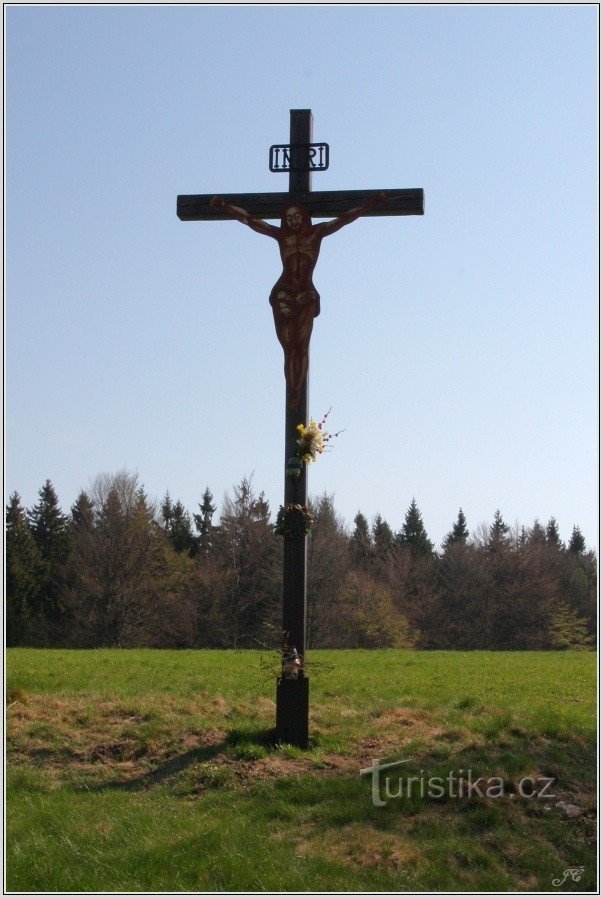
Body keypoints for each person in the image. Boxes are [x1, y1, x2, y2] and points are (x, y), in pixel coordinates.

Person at [211, 192, 388, 408]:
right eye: (289, 217)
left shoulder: (317, 233)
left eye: (297, 216)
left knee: (301, 346)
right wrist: (225, 206)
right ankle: (292, 390)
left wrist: (372, 202)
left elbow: (346, 217)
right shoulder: (281, 236)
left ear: (305, 216)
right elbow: (251, 220)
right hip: (283, 293)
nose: (293, 220)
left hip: (306, 292)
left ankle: (296, 393)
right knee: (288, 347)